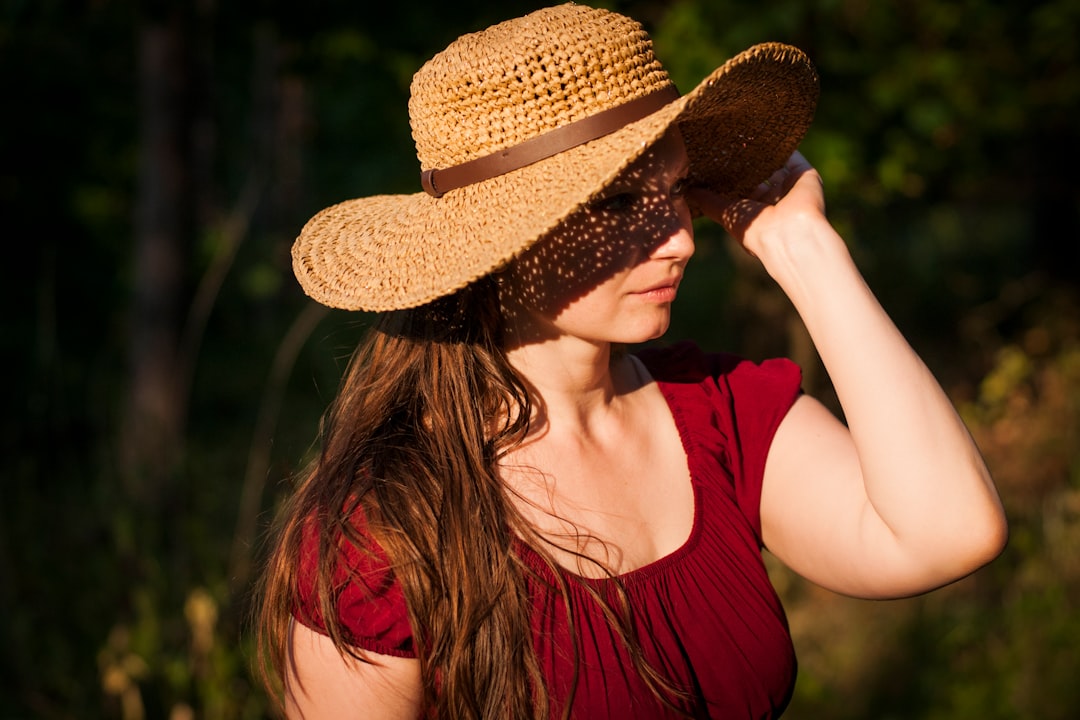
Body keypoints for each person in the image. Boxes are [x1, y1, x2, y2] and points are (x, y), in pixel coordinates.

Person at [254, 4, 1008, 718]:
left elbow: (947, 534)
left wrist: (806, 250)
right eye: (617, 205)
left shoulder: (721, 413)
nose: (680, 239)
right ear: (495, 245)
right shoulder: (385, 532)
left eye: (677, 190)